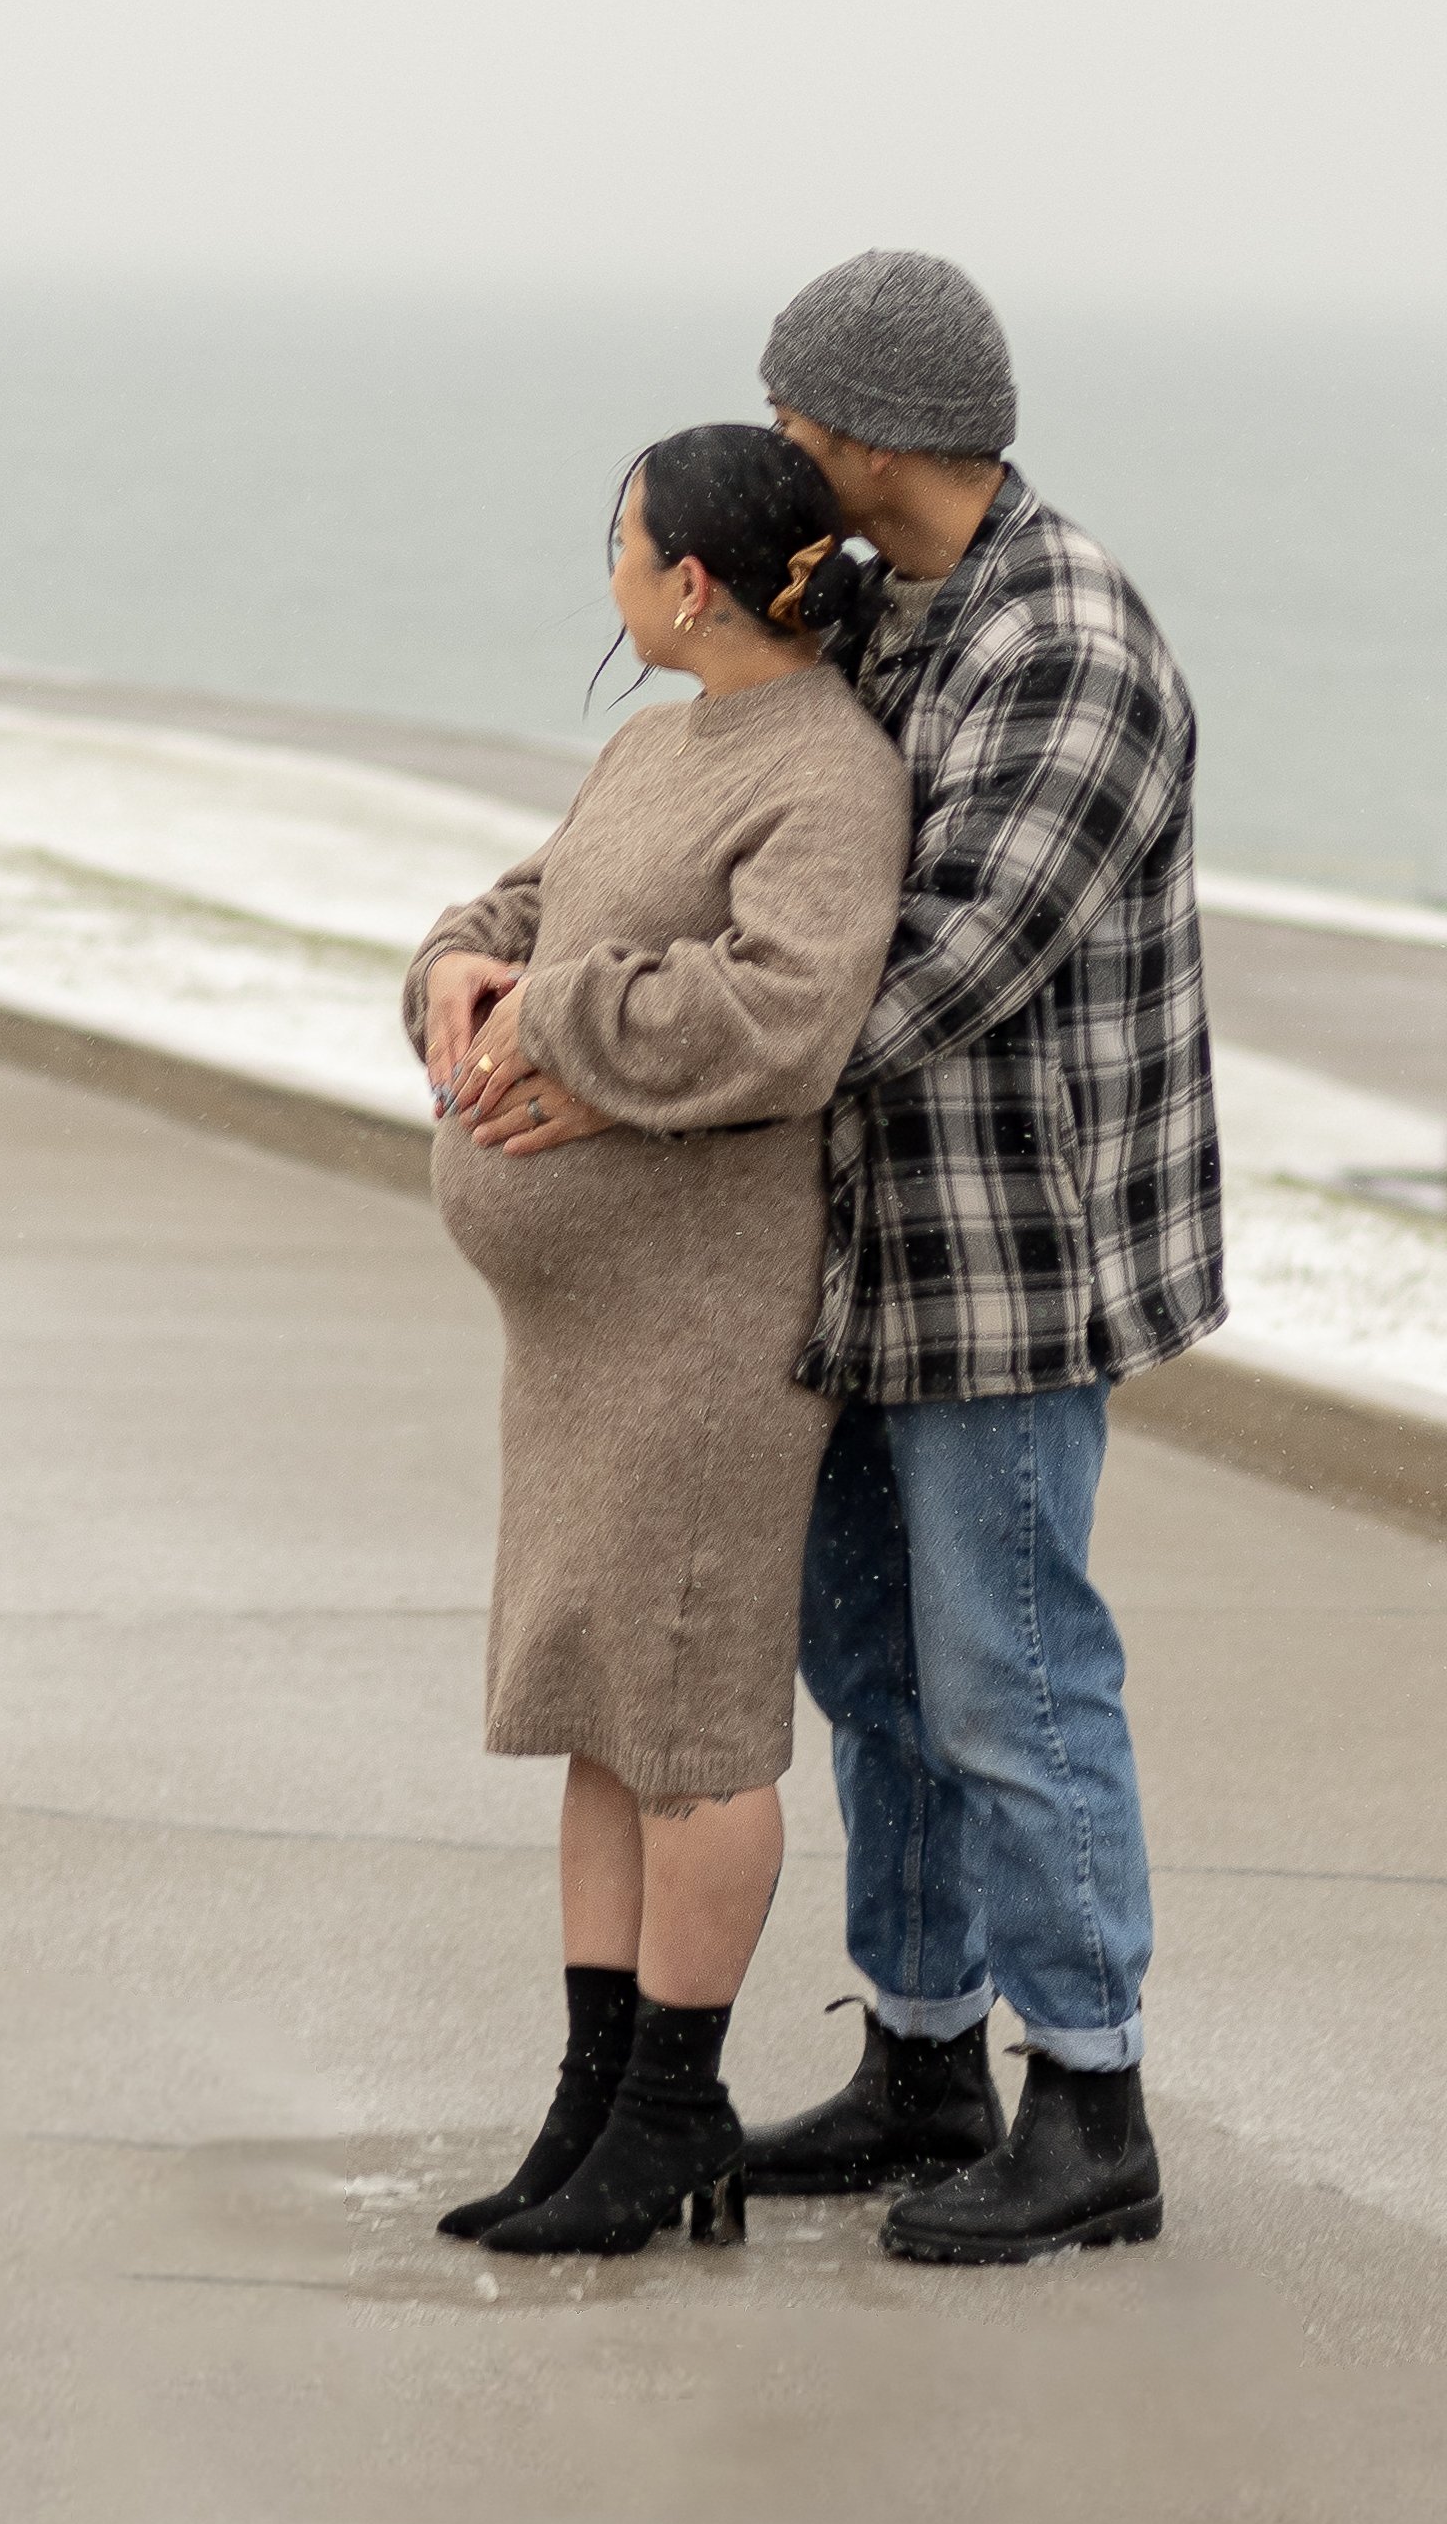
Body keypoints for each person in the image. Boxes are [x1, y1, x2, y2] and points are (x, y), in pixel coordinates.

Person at [742, 247, 1224, 2261]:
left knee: (1011, 1674)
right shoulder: (866, 607)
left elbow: (941, 969)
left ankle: (1089, 2099)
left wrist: (659, 1058)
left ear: (869, 429)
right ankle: (926, 2053)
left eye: (788, 420)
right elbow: (750, 822)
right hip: (861, 1248)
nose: (770, 450)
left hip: (1009, 1260)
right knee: (870, 1666)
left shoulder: (1070, 640)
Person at [404, 424, 908, 2259]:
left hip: (701, 1326)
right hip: (582, 1339)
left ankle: (676, 2115)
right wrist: (456, 972)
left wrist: (559, 1019)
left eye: (617, 541)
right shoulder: (653, 743)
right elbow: (525, 910)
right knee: (602, 1712)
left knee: (691, 1723)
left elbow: (785, 1014)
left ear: (685, 581)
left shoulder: (826, 777)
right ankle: (590, 2098)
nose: (606, 569)